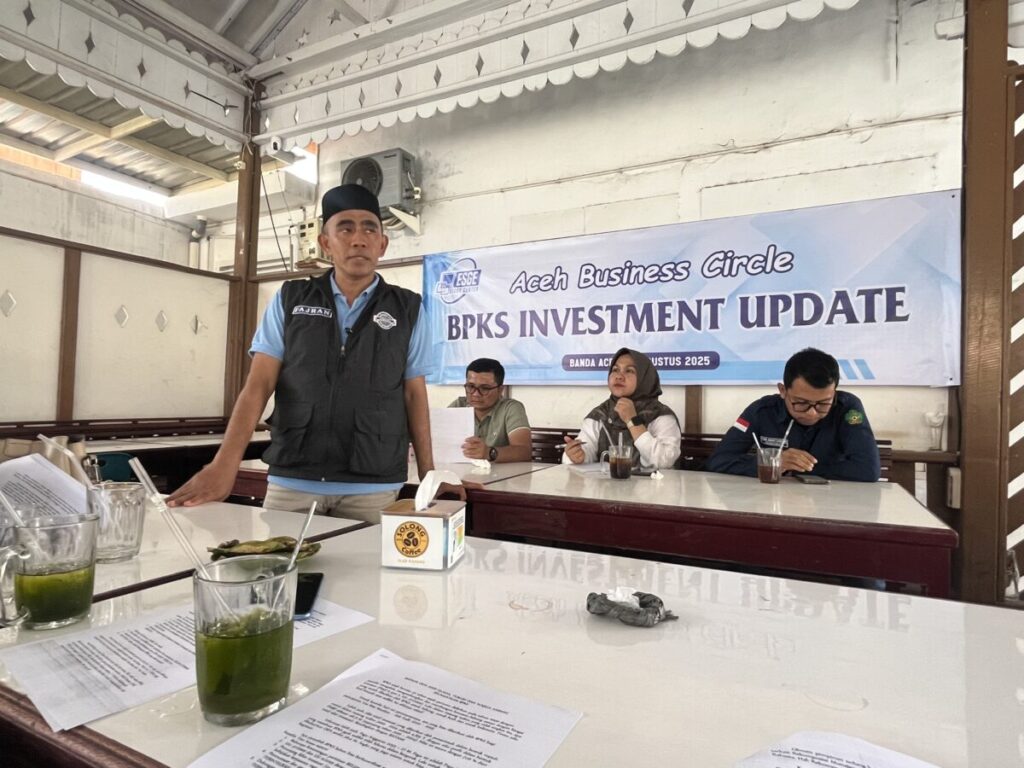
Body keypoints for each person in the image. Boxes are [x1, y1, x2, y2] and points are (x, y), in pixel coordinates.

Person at [167, 183, 458, 522]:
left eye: (369, 229)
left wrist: (429, 475)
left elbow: (413, 394)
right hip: (293, 478)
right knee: (282, 557)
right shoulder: (291, 299)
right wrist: (224, 464)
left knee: (364, 559)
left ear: (382, 244)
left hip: (374, 482)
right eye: (345, 228)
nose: (358, 239)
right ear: (325, 243)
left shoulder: (407, 308)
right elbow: (258, 385)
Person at [706, 347, 880, 482]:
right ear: (783, 390)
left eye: (823, 404)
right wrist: (773, 463)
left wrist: (795, 469)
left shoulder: (847, 408)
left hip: (831, 502)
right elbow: (719, 460)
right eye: (801, 403)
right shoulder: (762, 411)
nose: (812, 413)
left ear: (834, 393)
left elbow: (868, 470)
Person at [562, 348, 681, 469]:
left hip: (652, 482)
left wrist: (632, 420)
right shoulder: (600, 414)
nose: (619, 376)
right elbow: (586, 448)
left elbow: (665, 461)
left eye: (629, 371)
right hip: (604, 481)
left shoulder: (660, 415)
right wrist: (577, 455)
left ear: (644, 378)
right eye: (615, 370)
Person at [448, 358, 532, 463]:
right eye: (471, 386)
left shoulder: (510, 408)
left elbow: (524, 451)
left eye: (485, 388)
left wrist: (489, 453)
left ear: (500, 390)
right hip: (463, 471)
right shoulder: (459, 406)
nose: (476, 394)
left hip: (502, 473)